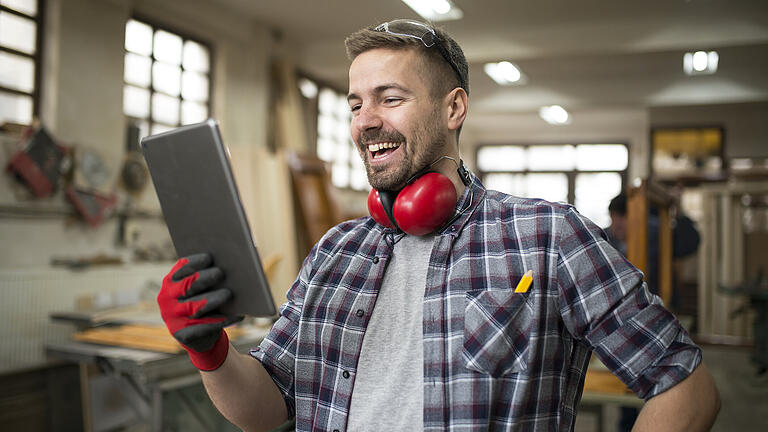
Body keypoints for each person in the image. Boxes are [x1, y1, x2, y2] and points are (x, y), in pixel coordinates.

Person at [157, 19, 720, 431]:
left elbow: (687, 387)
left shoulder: (547, 238)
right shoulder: (335, 253)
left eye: (390, 98)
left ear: (453, 109)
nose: (366, 121)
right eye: (355, 104)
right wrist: (211, 351)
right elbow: (268, 408)